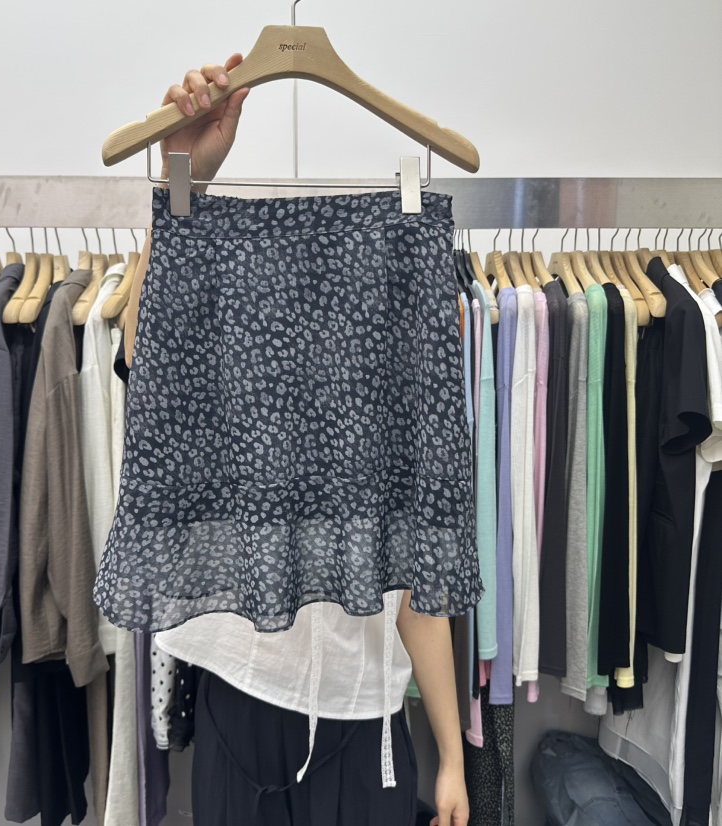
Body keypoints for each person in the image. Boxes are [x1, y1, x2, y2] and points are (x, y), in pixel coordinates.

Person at [123, 54, 471, 826]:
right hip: (240, 700)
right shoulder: (230, 354)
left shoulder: (399, 350)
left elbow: (419, 591)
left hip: (368, 718)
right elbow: (148, 358)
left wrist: (452, 755)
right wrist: (184, 179)